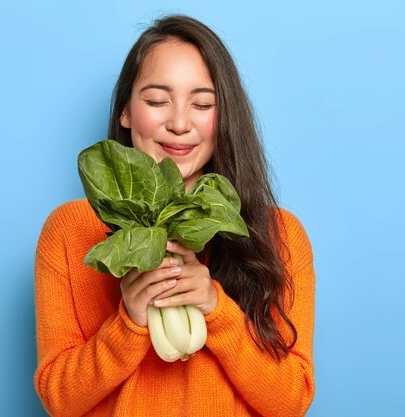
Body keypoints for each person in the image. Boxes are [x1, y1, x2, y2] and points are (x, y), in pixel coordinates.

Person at [34, 15, 315, 417]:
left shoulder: (282, 234)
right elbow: (59, 400)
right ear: (126, 112)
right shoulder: (69, 230)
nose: (180, 123)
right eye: (156, 101)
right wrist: (128, 322)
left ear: (224, 118)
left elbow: (291, 402)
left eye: (202, 104)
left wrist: (216, 308)